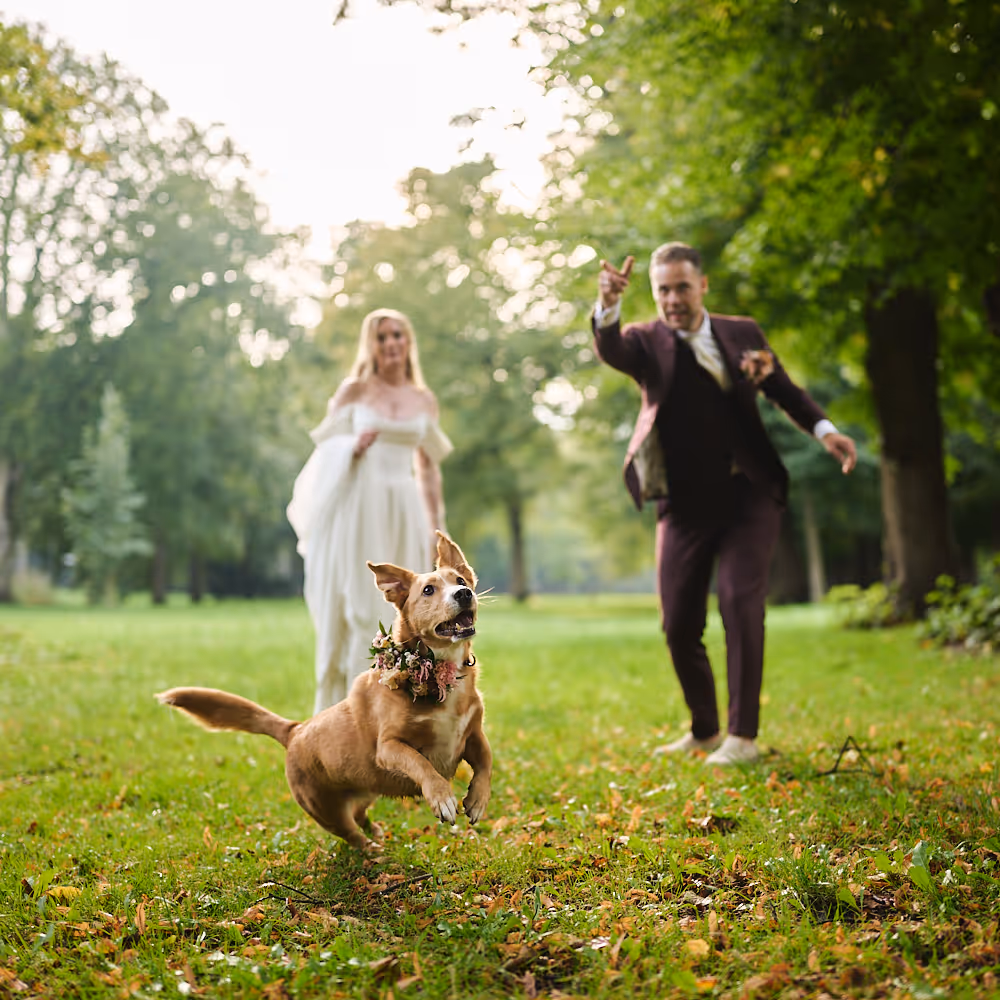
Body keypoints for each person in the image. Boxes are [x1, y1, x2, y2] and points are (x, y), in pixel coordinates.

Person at [593, 243, 857, 766]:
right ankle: (705, 730)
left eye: (682, 288)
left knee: (739, 600)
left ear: (703, 285)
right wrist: (608, 306)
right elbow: (613, 349)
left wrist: (825, 430)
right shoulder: (646, 341)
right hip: (683, 503)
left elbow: (784, 389)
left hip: (748, 492)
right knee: (678, 623)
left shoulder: (743, 334)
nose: (673, 299)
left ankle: (743, 737)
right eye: (663, 290)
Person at [287, 308, 453, 714]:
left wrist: (435, 527)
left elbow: (428, 468)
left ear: (408, 341)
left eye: (397, 334)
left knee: (405, 607)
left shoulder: (423, 400)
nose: (391, 343)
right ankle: (346, 715)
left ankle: (396, 713)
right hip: (360, 506)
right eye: (382, 337)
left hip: (405, 507)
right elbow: (323, 453)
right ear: (371, 345)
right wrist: (351, 447)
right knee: (360, 606)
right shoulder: (354, 391)